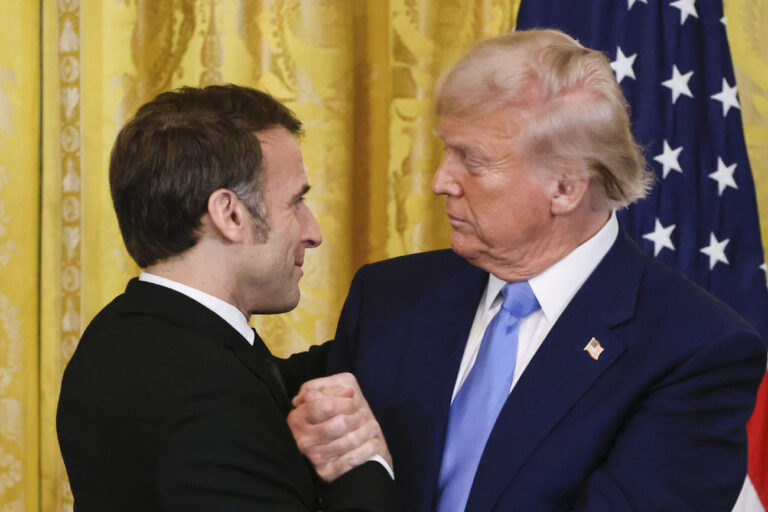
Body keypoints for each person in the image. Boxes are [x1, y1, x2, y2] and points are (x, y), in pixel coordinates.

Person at [290, 29, 767, 512]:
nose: (440, 181)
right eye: (446, 149)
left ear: (564, 187)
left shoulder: (695, 350)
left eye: (471, 161)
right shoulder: (389, 296)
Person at [56, 85, 395, 512]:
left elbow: (262, 381)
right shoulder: (205, 392)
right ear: (230, 215)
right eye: (296, 203)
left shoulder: (124, 332)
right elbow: (234, 404)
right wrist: (364, 466)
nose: (313, 232)